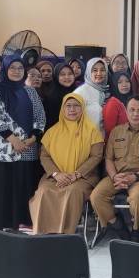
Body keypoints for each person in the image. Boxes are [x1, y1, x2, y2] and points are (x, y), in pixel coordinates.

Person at [0, 56, 46, 230]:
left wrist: (32, 138)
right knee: (3, 190)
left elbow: (40, 117)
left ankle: (19, 225)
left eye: (20, 68)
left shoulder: (30, 91)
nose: (16, 71)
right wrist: (14, 141)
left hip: (27, 148)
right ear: (5, 69)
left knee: (22, 188)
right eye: (12, 68)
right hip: (2, 151)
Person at [29, 93, 104, 234]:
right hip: (54, 177)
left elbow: (96, 156)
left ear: (82, 109)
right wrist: (56, 174)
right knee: (44, 191)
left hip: (83, 177)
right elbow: (44, 156)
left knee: (72, 192)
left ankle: (65, 233)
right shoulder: (52, 132)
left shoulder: (93, 131)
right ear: (63, 109)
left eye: (76, 106)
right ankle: (42, 232)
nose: (72, 109)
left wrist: (76, 174)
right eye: (68, 106)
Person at [91, 96, 139, 243]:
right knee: (96, 196)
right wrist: (114, 176)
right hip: (117, 176)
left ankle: (136, 229)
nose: (136, 114)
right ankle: (117, 224)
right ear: (126, 111)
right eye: (132, 110)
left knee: (136, 197)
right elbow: (109, 159)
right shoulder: (116, 132)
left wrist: (135, 176)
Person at [74, 58, 109, 136]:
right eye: (95, 70)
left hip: (101, 138)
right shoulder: (80, 92)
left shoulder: (105, 91)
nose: (99, 73)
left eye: (102, 70)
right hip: (85, 138)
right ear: (89, 72)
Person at [43, 63, 76, 130]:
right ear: (56, 76)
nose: (67, 77)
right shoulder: (51, 97)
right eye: (62, 74)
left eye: (70, 74)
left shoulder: (78, 92)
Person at [103, 72, 132, 136]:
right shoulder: (113, 103)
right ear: (114, 84)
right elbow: (109, 131)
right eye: (119, 82)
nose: (124, 85)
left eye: (127, 81)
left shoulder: (132, 100)